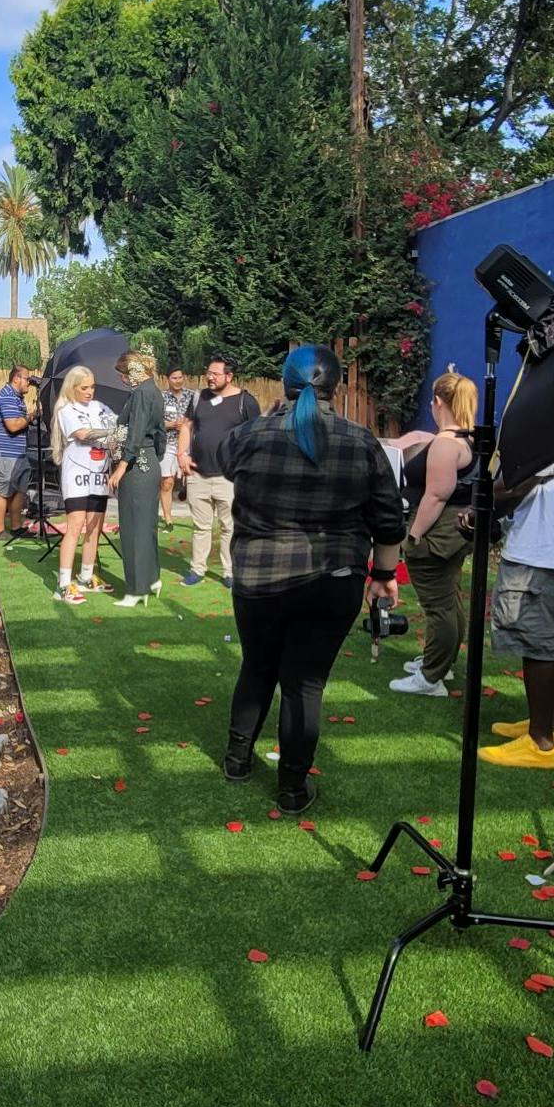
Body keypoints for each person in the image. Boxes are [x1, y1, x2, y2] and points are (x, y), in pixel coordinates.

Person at [224, 345, 405, 812]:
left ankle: (237, 759)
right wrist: (384, 574)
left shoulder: (250, 434)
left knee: (257, 666)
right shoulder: (362, 441)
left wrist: (269, 420)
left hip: (258, 577)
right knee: (304, 684)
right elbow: (389, 521)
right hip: (333, 579)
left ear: (284, 385)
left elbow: (224, 461)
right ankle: (291, 788)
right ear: (335, 387)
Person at [481, 443, 554, 771]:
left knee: (539, 642)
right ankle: (549, 725)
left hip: (544, 546)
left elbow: (527, 475)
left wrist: (483, 497)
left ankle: (540, 741)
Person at [384, 369, 478, 698]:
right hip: (456, 530)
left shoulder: (446, 444)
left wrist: (414, 536)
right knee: (450, 600)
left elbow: (436, 495)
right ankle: (440, 662)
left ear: (438, 401)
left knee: (439, 606)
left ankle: (431, 677)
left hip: (438, 533)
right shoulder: (468, 438)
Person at [179, 353, 259, 585]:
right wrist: (182, 454)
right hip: (197, 474)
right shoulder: (199, 398)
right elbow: (186, 427)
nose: (210, 377)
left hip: (229, 477)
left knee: (229, 527)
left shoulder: (246, 402)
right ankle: (197, 570)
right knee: (200, 527)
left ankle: (230, 572)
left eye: (215, 374)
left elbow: (256, 436)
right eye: (208, 373)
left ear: (229, 376)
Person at [51, 363, 116, 602]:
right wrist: (111, 433)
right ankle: (63, 584)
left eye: (92, 387)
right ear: (73, 388)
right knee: (75, 526)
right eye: (84, 388)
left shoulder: (101, 407)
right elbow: (81, 434)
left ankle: (86, 576)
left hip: (99, 473)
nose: (89, 392)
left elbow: (117, 424)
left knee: (95, 526)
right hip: (77, 474)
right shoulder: (66, 409)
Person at [108, 348, 165, 608]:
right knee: (146, 525)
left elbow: (137, 432)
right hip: (149, 462)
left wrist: (122, 466)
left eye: (123, 374)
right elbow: (160, 434)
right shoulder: (154, 391)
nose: (122, 379)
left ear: (132, 371)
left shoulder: (141, 393)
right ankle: (152, 578)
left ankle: (137, 588)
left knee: (133, 528)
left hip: (136, 466)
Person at [0, 363, 33, 538]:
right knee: (4, 492)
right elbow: (13, 425)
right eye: (27, 379)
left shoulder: (17, 397)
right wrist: (30, 417)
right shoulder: (7, 396)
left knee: (19, 491)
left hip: (17, 453)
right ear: (16, 378)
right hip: (4, 453)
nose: (29, 383)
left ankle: (16, 527)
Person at [160, 367, 193, 528]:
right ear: (168, 379)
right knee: (167, 481)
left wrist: (188, 426)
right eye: (174, 378)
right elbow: (155, 422)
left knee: (192, 481)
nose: (178, 381)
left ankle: (197, 517)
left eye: (180, 377)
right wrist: (171, 424)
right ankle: (168, 519)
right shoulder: (161, 397)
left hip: (188, 443)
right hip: (168, 442)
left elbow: (201, 418)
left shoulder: (192, 396)